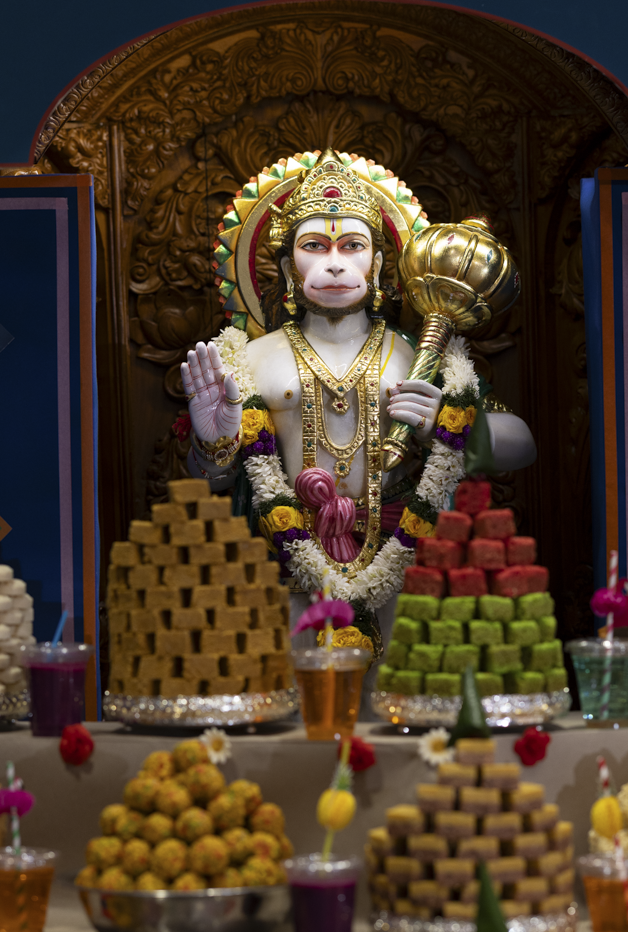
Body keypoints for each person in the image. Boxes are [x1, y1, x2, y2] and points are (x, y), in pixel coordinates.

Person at [179, 150, 536, 658]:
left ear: (379, 264)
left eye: (352, 245)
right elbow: (209, 481)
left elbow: (522, 444)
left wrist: (444, 425)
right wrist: (213, 445)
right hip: (287, 569)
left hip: (403, 564)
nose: (334, 262)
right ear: (288, 267)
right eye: (314, 246)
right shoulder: (249, 359)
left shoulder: (419, 358)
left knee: (399, 701)